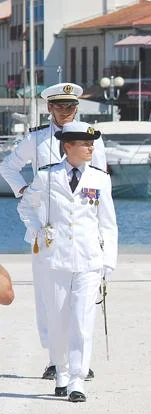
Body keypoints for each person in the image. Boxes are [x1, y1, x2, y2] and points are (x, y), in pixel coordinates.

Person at [0, 82, 107, 380]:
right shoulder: (36, 140)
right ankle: (54, 359)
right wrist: (24, 192)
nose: (66, 111)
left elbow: (100, 183)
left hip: (81, 230)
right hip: (44, 230)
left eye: (71, 106)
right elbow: (7, 168)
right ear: (49, 108)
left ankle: (78, 362)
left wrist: (99, 229)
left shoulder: (90, 138)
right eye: (60, 106)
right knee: (49, 299)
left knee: (81, 301)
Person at [17, 122, 116, 403]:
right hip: (55, 258)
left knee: (83, 320)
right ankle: (60, 371)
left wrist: (107, 261)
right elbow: (25, 205)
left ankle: (77, 379)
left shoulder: (100, 179)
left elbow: (108, 224)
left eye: (92, 144)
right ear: (68, 146)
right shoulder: (48, 176)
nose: (90, 148)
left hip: (88, 260)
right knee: (58, 319)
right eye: (85, 144)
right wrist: (38, 228)